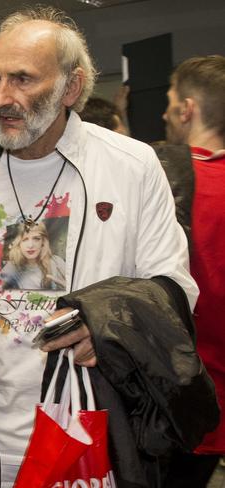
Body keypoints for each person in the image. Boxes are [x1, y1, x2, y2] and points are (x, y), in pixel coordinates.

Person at [0, 6, 212, 487]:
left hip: (86, 434)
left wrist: (107, 329)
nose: (2, 97)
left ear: (72, 87)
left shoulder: (131, 165)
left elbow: (175, 289)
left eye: (22, 79)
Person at [159, 54, 225, 488]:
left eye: (169, 101)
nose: (164, 113)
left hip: (175, 404)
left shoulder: (162, 182)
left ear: (187, 109)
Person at [0, 221, 65, 291]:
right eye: (25, 239)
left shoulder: (57, 262)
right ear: (18, 243)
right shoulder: (11, 268)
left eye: (36, 239)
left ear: (43, 241)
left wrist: (67, 287)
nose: (30, 245)